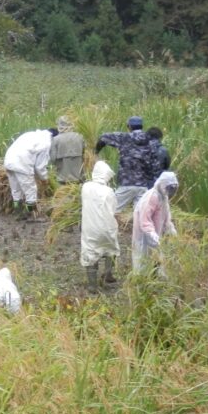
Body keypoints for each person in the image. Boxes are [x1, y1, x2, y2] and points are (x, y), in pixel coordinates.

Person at [96, 115, 156, 212]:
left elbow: (103, 138)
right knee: (140, 216)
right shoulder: (150, 141)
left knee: (108, 210)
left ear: (129, 127)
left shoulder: (124, 137)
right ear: (141, 126)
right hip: (143, 186)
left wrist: (96, 151)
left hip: (127, 184)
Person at [81, 160, 120, 291]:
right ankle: (107, 276)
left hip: (90, 228)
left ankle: (92, 285)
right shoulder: (109, 191)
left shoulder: (85, 187)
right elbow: (113, 209)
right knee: (111, 248)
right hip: (107, 228)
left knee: (90, 250)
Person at [132, 171, 179, 274]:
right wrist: (152, 234)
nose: (170, 191)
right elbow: (144, 220)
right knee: (143, 257)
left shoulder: (163, 197)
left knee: (156, 256)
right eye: (169, 188)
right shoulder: (152, 197)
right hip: (144, 234)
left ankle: (155, 278)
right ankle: (141, 281)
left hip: (155, 233)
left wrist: (171, 230)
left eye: (172, 189)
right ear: (162, 184)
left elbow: (166, 215)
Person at [4, 128, 54, 221]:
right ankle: (32, 214)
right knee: (30, 189)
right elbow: (40, 167)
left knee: (16, 189)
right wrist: (44, 178)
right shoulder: (46, 143)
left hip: (9, 160)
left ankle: (18, 213)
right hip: (21, 163)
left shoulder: (31, 135)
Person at [51, 115, 85, 183]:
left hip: (62, 179)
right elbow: (84, 154)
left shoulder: (56, 139)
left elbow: (52, 159)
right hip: (78, 178)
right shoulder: (80, 137)